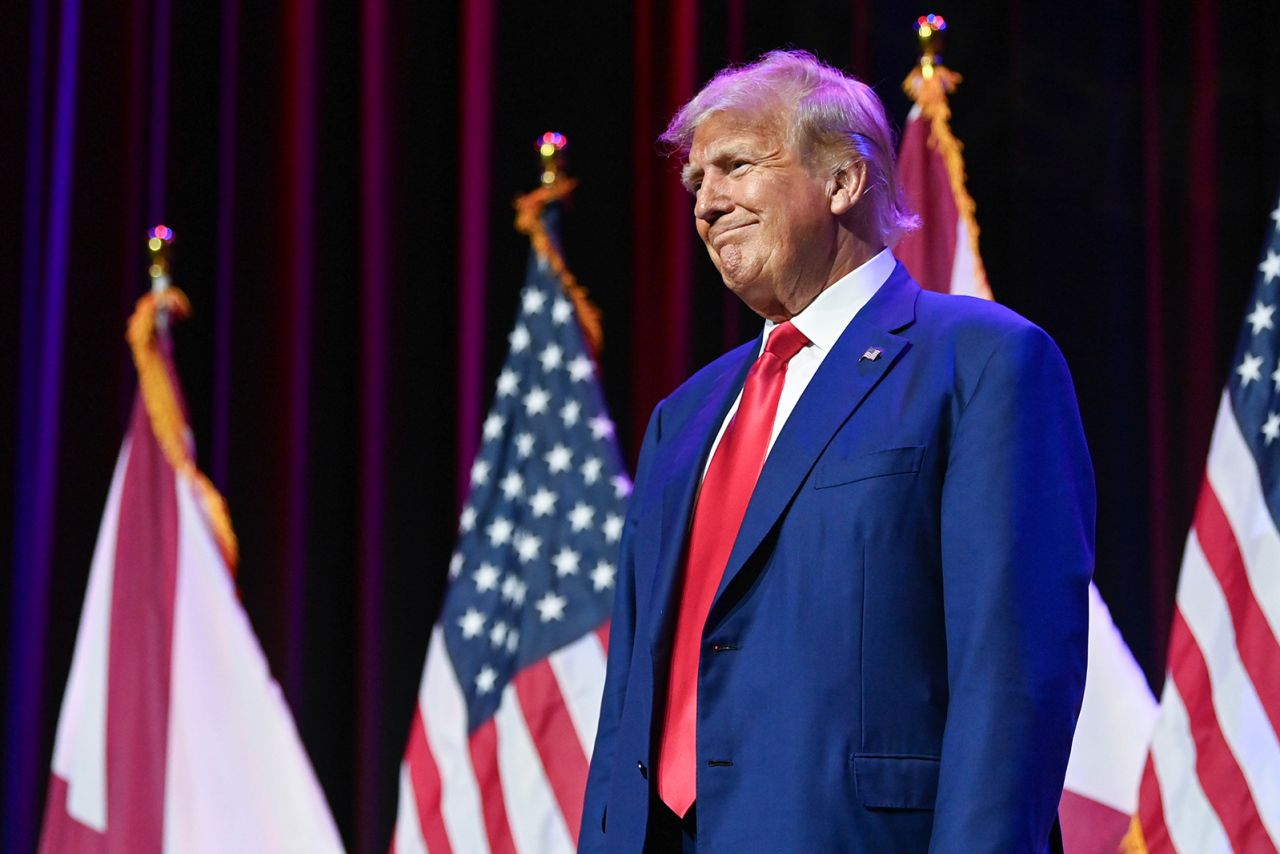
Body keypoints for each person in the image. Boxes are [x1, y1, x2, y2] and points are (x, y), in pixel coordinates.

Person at [580, 50, 1093, 853]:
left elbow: (1013, 682)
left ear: (844, 180)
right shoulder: (682, 420)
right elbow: (627, 709)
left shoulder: (981, 362)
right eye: (695, 185)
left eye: (735, 167)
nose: (707, 204)